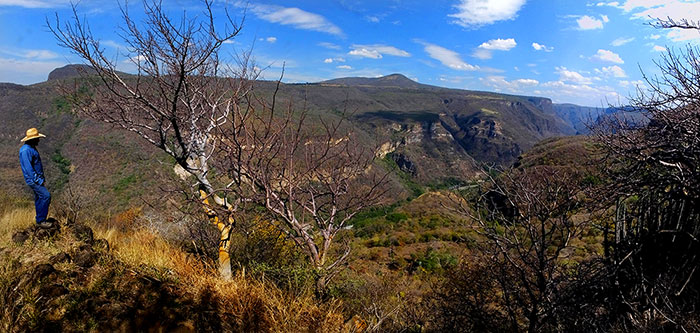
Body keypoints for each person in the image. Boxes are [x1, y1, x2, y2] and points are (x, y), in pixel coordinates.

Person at [19, 128, 53, 228]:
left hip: (37, 179)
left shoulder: (31, 148)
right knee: (46, 196)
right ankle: (41, 220)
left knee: (39, 198)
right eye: (37, 138)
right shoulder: (26, 150)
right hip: (34, 180)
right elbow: (28, 168)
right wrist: (38, 180)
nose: (38, 140)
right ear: (32, 139)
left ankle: (39, 220)